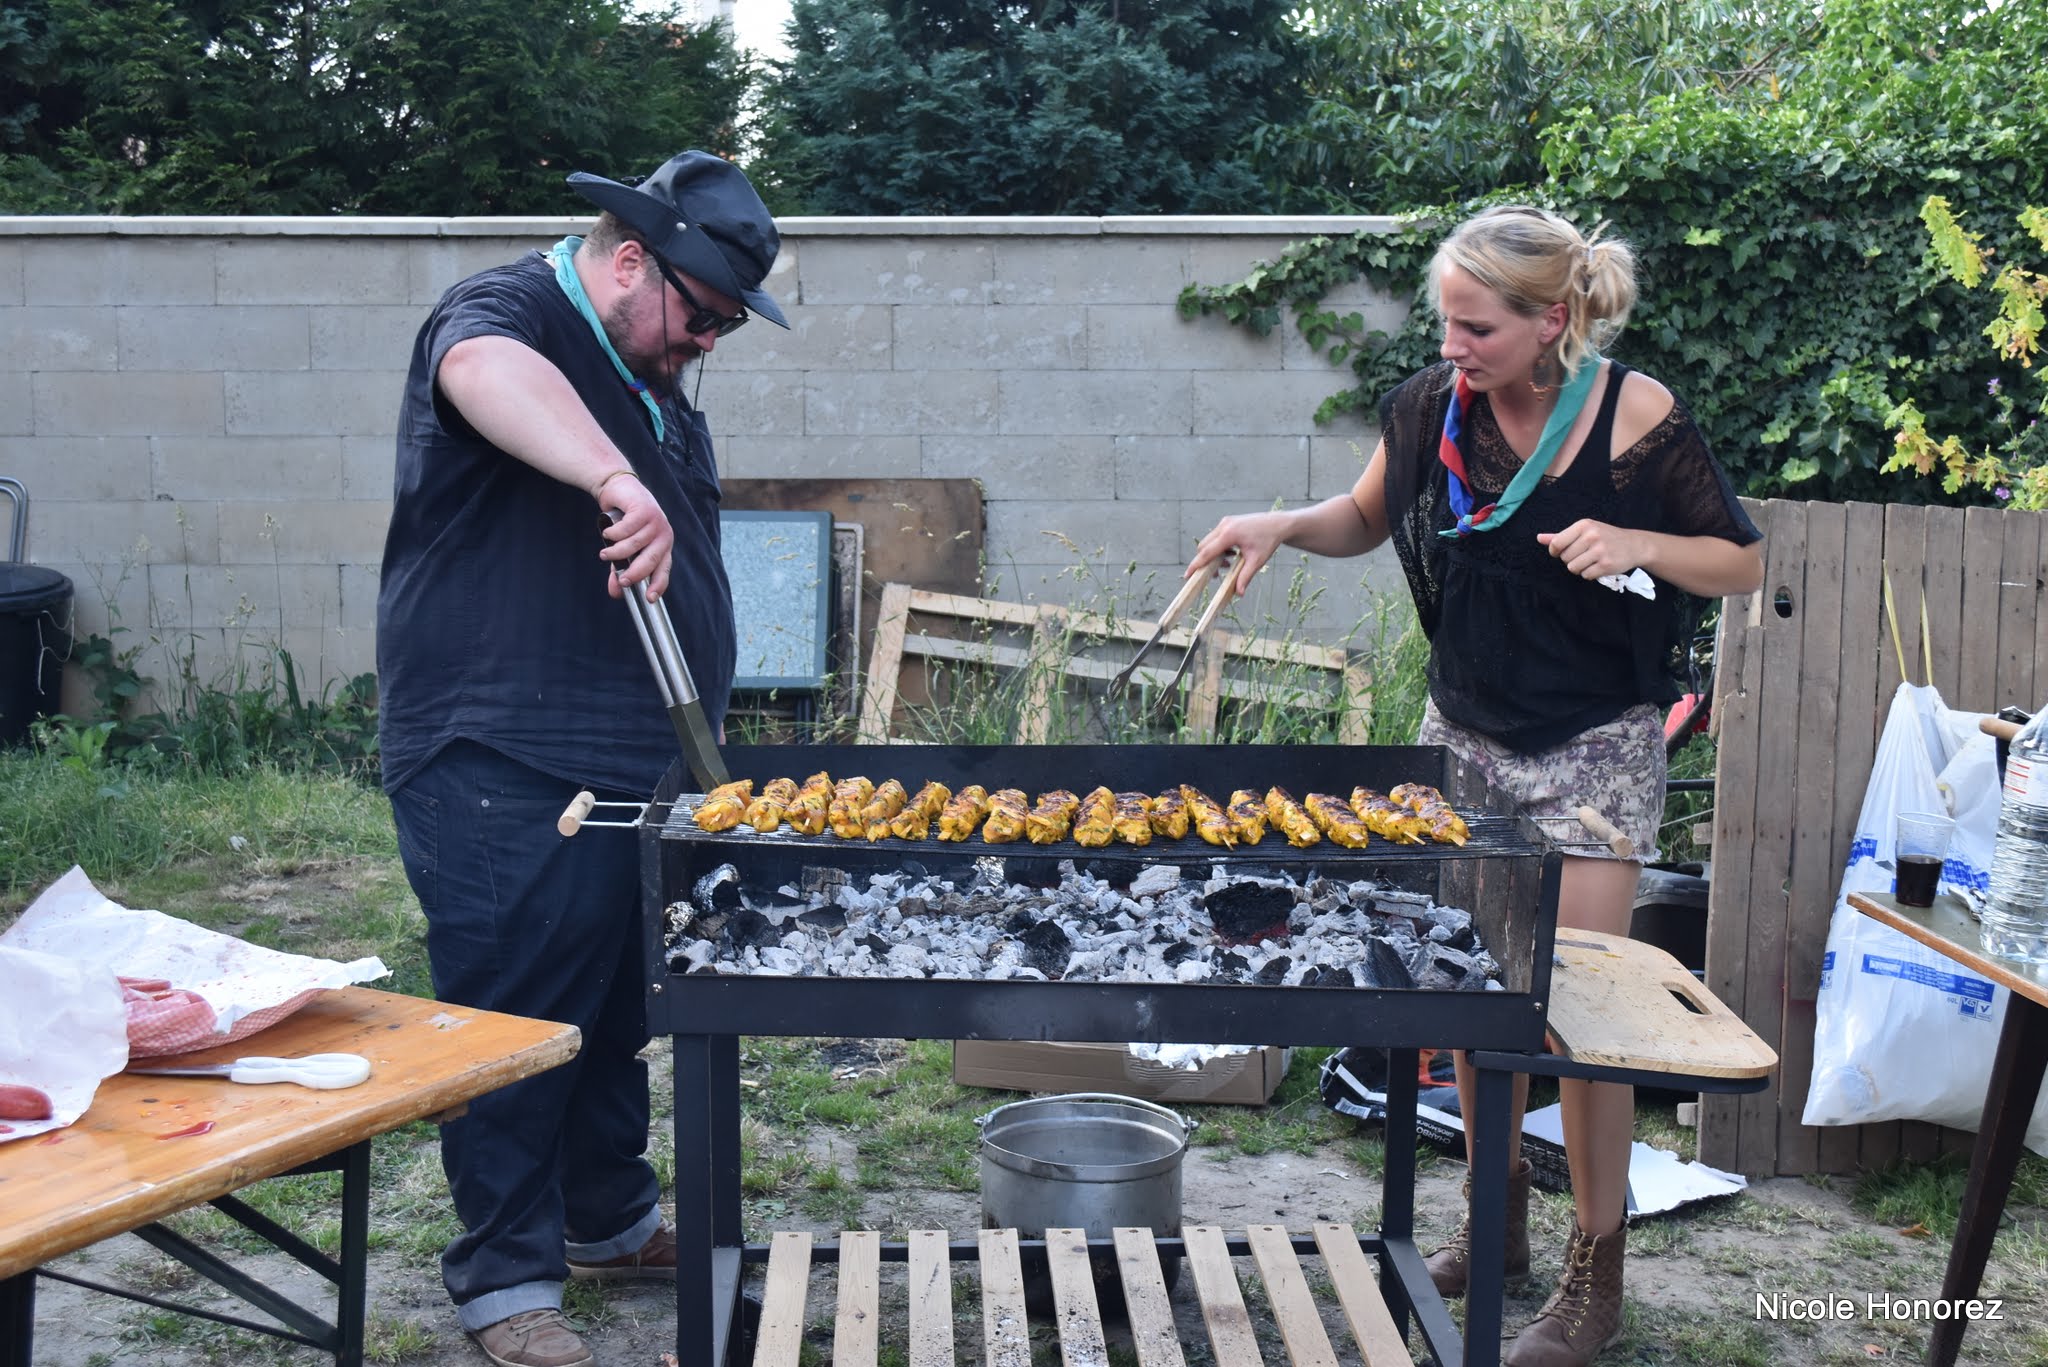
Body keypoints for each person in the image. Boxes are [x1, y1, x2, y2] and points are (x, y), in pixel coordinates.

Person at [1186, 205, 1763, 1367]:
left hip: (1594, 746)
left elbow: (1740, 559)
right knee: (1466, 985)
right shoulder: (1430, 406)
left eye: (1476, 327)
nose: (1452, 346)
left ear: (1551, 320)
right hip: (1463, 736)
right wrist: (1277, 524)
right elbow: (1363, 516)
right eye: (1444, 323)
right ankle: (1491, 1218)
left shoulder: (1632, 415)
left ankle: (1594, 1268)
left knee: (1578, 1017)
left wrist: (1638, 544)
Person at [376, 151, 788, 1367]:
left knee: (614, 1000)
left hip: (629, 755)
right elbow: (481, 371)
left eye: (723, 326)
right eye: (701, 316)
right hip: (503, 751)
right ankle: (504, 1279)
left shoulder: (649, 370)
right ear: (628, 261)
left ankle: (605, 1217)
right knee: (518, 1011)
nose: (705, 342)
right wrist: (611, 471)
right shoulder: (507, 310)